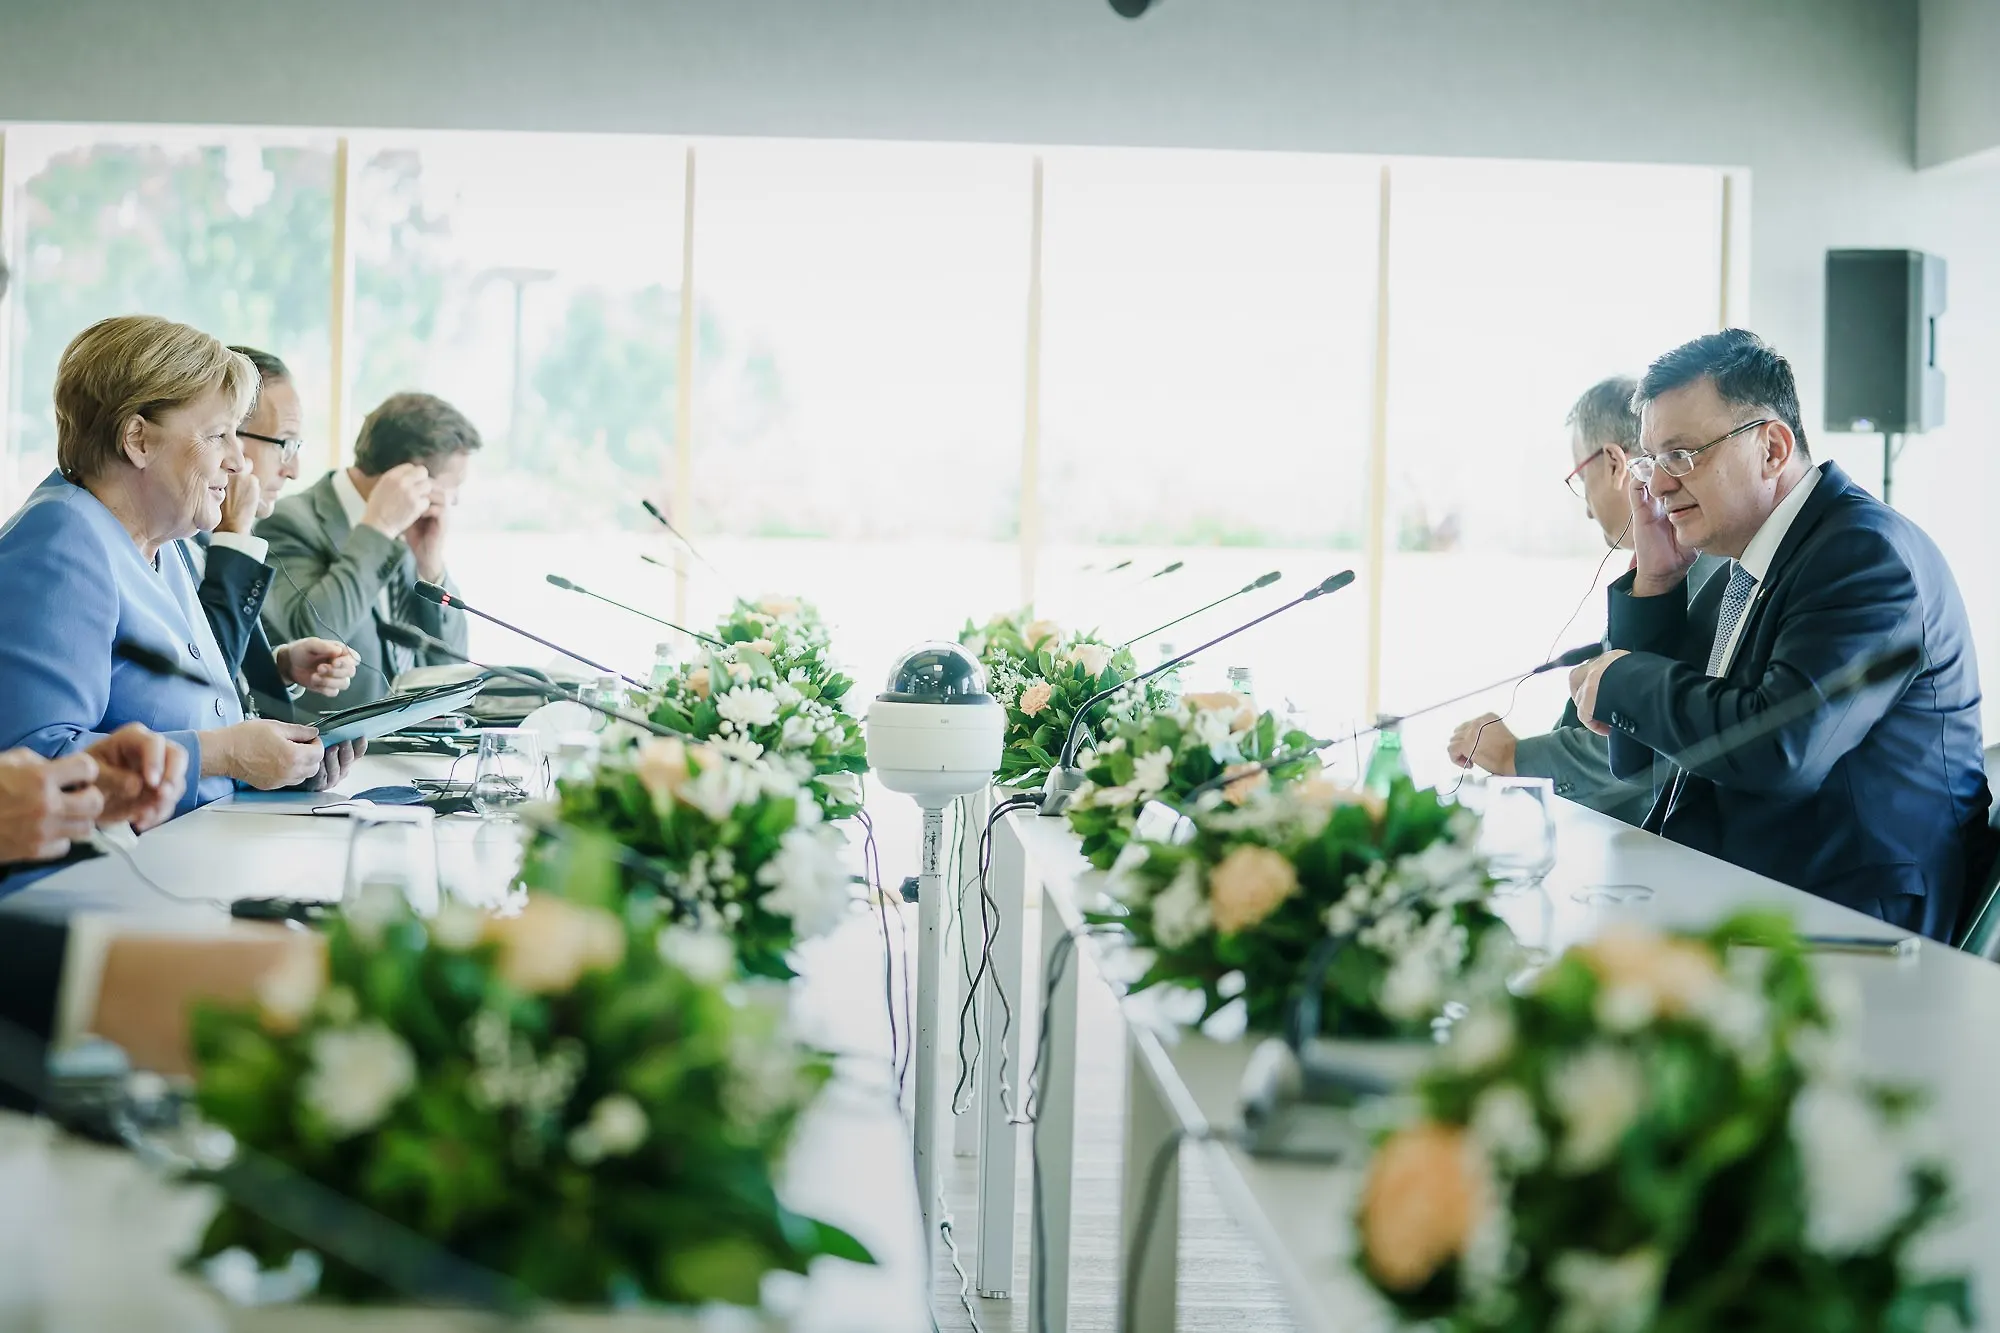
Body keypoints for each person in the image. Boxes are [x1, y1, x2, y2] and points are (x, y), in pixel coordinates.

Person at [1568, 330, 1989, 939]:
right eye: (1651, 461)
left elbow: (1782, 748)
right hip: (1754, 893)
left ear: (1771, 448)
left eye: (1683, 455)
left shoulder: (1862, 554)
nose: (1658, 486)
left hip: (1852, 925)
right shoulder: (1751, 564)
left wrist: (1621, 679)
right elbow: (1643, 756)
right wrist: (1656, 582)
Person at [0, 315, 327, 815]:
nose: (238, 462)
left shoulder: (167, 543)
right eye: (219, 435)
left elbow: (198, 731)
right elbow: (35, 767)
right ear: (138, 439)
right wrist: (229, 754)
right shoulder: (60, 540)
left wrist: (281, 767)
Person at [1446, 378, 1721, 824]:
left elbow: (1653, 747)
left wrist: (1518, 758)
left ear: (1614, 463)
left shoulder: (1702, 571)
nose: (1588, 510)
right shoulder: (1652, 572)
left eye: (1580, 478)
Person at [189, 346, 362, 785]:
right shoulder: (187, 539)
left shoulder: (214, 536)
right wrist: (235, 534)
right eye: (285, 444)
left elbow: (217, 666)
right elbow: (196, 694)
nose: (294, 468)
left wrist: (279, 668)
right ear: (229, 438)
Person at [258, 391, 479, 711]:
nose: (454, 501)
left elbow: (452, 668)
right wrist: (377, 529)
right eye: (452, 485)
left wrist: (430, 566)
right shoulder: (288, 522)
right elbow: (309, 633)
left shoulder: (409, 534)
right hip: (334, 752)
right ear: (408, 477)